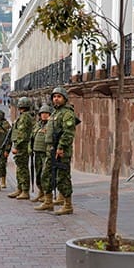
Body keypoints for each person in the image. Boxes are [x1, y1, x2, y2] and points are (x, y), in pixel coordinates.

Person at [42, 86, 78, 215]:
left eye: (59, 96)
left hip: (61, 151)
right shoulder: (55, 112)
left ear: (64, 98)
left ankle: (68, 205)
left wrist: (61, 147)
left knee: (62, 178)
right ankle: (48, 201)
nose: (56, 99)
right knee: (46, 175)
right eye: (54, 97)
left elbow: (68, 132)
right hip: (51, 149)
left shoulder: (67, 113)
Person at [8, 96, 34, 200]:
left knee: (22, 169)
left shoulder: (25, 117)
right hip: (21, 146)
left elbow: (22, 134)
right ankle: (20, 189)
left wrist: (17, 146)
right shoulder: (24, 116)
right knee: (19, 169)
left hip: (22, 146)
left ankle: (25, 191)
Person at [30, 104, 53, 207]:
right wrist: (30, 148)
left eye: (46, 113)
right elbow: (31, 138)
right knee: (38, 174)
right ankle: (41, 192)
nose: (44, 115)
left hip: (46, 153)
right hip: (37, 153)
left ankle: (47, 195)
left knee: (45, 175)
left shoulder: (51, 125)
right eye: (42, 113)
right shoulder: (37, 125)